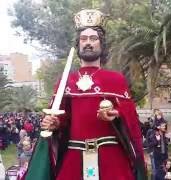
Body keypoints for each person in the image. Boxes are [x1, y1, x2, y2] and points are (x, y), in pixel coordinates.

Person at [24, 9, 146, 180]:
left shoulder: (115, 79)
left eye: (93, 38)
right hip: (74, 156)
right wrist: (53, 122)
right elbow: (62, 118)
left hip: (111, 157)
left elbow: (131, 118)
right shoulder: (66, 81)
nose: (88, 42)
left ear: (101, 44)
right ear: (78, 44)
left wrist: (117, 114)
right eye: (83, 39)